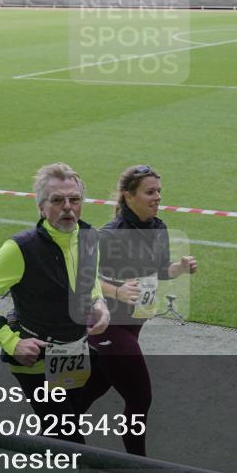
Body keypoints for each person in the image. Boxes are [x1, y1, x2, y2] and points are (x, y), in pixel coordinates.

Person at [0, 162, 109, 443]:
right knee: (70, 441)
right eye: (57, 200)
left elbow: (90, 280)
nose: (68, 207)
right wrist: (12, 343)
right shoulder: (20, 248)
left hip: (74, 351)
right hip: (36, 360)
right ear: (42, 208)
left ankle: (42, 452)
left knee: (70, 418)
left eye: (74, 199)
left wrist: (99, 303)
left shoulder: (89, 237)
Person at [80, 165, 197, 456]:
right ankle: (137, 464)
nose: (157, 197)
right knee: (140, 397)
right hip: (107, 326)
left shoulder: (159, 228)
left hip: (133, 324)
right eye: (150, 192)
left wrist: (179, 269)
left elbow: (159, 270)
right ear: (128, 196)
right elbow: (83, 279)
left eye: (159, 191)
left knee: (92, 389)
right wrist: (117, 291)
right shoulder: (108, 235)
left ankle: (51, 433)